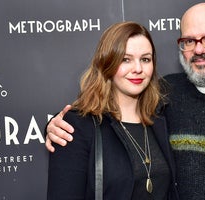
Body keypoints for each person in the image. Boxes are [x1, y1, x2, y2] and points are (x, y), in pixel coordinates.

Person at [46, 3, 205, 199]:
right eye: (189, 41)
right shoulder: (168, 93)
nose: (199, 49)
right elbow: (102, 106)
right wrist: (56, 125)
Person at [46, 21, 179, 200]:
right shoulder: (77, 126)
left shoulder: (162, 117)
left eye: (145, 59)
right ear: (107, 62)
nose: (138, 69)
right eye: (126, 59)